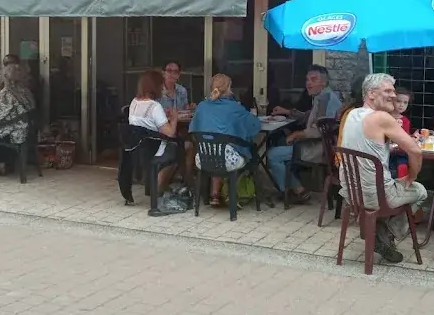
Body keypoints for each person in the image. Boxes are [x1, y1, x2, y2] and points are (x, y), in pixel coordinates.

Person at [338, 73, 427, 264]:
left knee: (390, 182)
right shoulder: (381, 118)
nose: (393, 96)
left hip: (351, 193)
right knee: (420, 191)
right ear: (371, 94)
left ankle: (379, 229)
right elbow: (416, 152)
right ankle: (388, 234)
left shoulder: (352, 114)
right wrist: (411, 177)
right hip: (376, 196)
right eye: (387, 91)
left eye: (393, 91)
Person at [267, 65, 342, 204]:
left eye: (313, 79)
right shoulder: (323, 96)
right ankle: (295, 188)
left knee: (273, 155)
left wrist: (296, 135)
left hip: (320, 150)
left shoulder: (324, 100)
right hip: (321, 147)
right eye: (307, 79)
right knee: (280, 143)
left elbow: (319, 129)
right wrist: (288, 112)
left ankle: (296, 190)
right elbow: (310, 117)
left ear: (324, 82)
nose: (308, 83)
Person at [189, 73, 262, 208]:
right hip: (228, 160)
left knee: (219, 149)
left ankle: (215, 194)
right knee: (246, 153)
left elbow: (193, 130)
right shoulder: (234, 107)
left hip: (202, 159)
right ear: (229, 88)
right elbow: (255, 126)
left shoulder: (202, 106)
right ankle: (230, 194)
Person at [128, 69, 179, 193]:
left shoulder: (134, 102)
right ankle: (159, 187)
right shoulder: (154, 106)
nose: (163, 88)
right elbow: (170, 133)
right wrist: (174, 118)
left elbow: (146, 122)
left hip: (137, 147)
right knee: (179, 150)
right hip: (154, 149)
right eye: (161, 85)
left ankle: (154, 185)